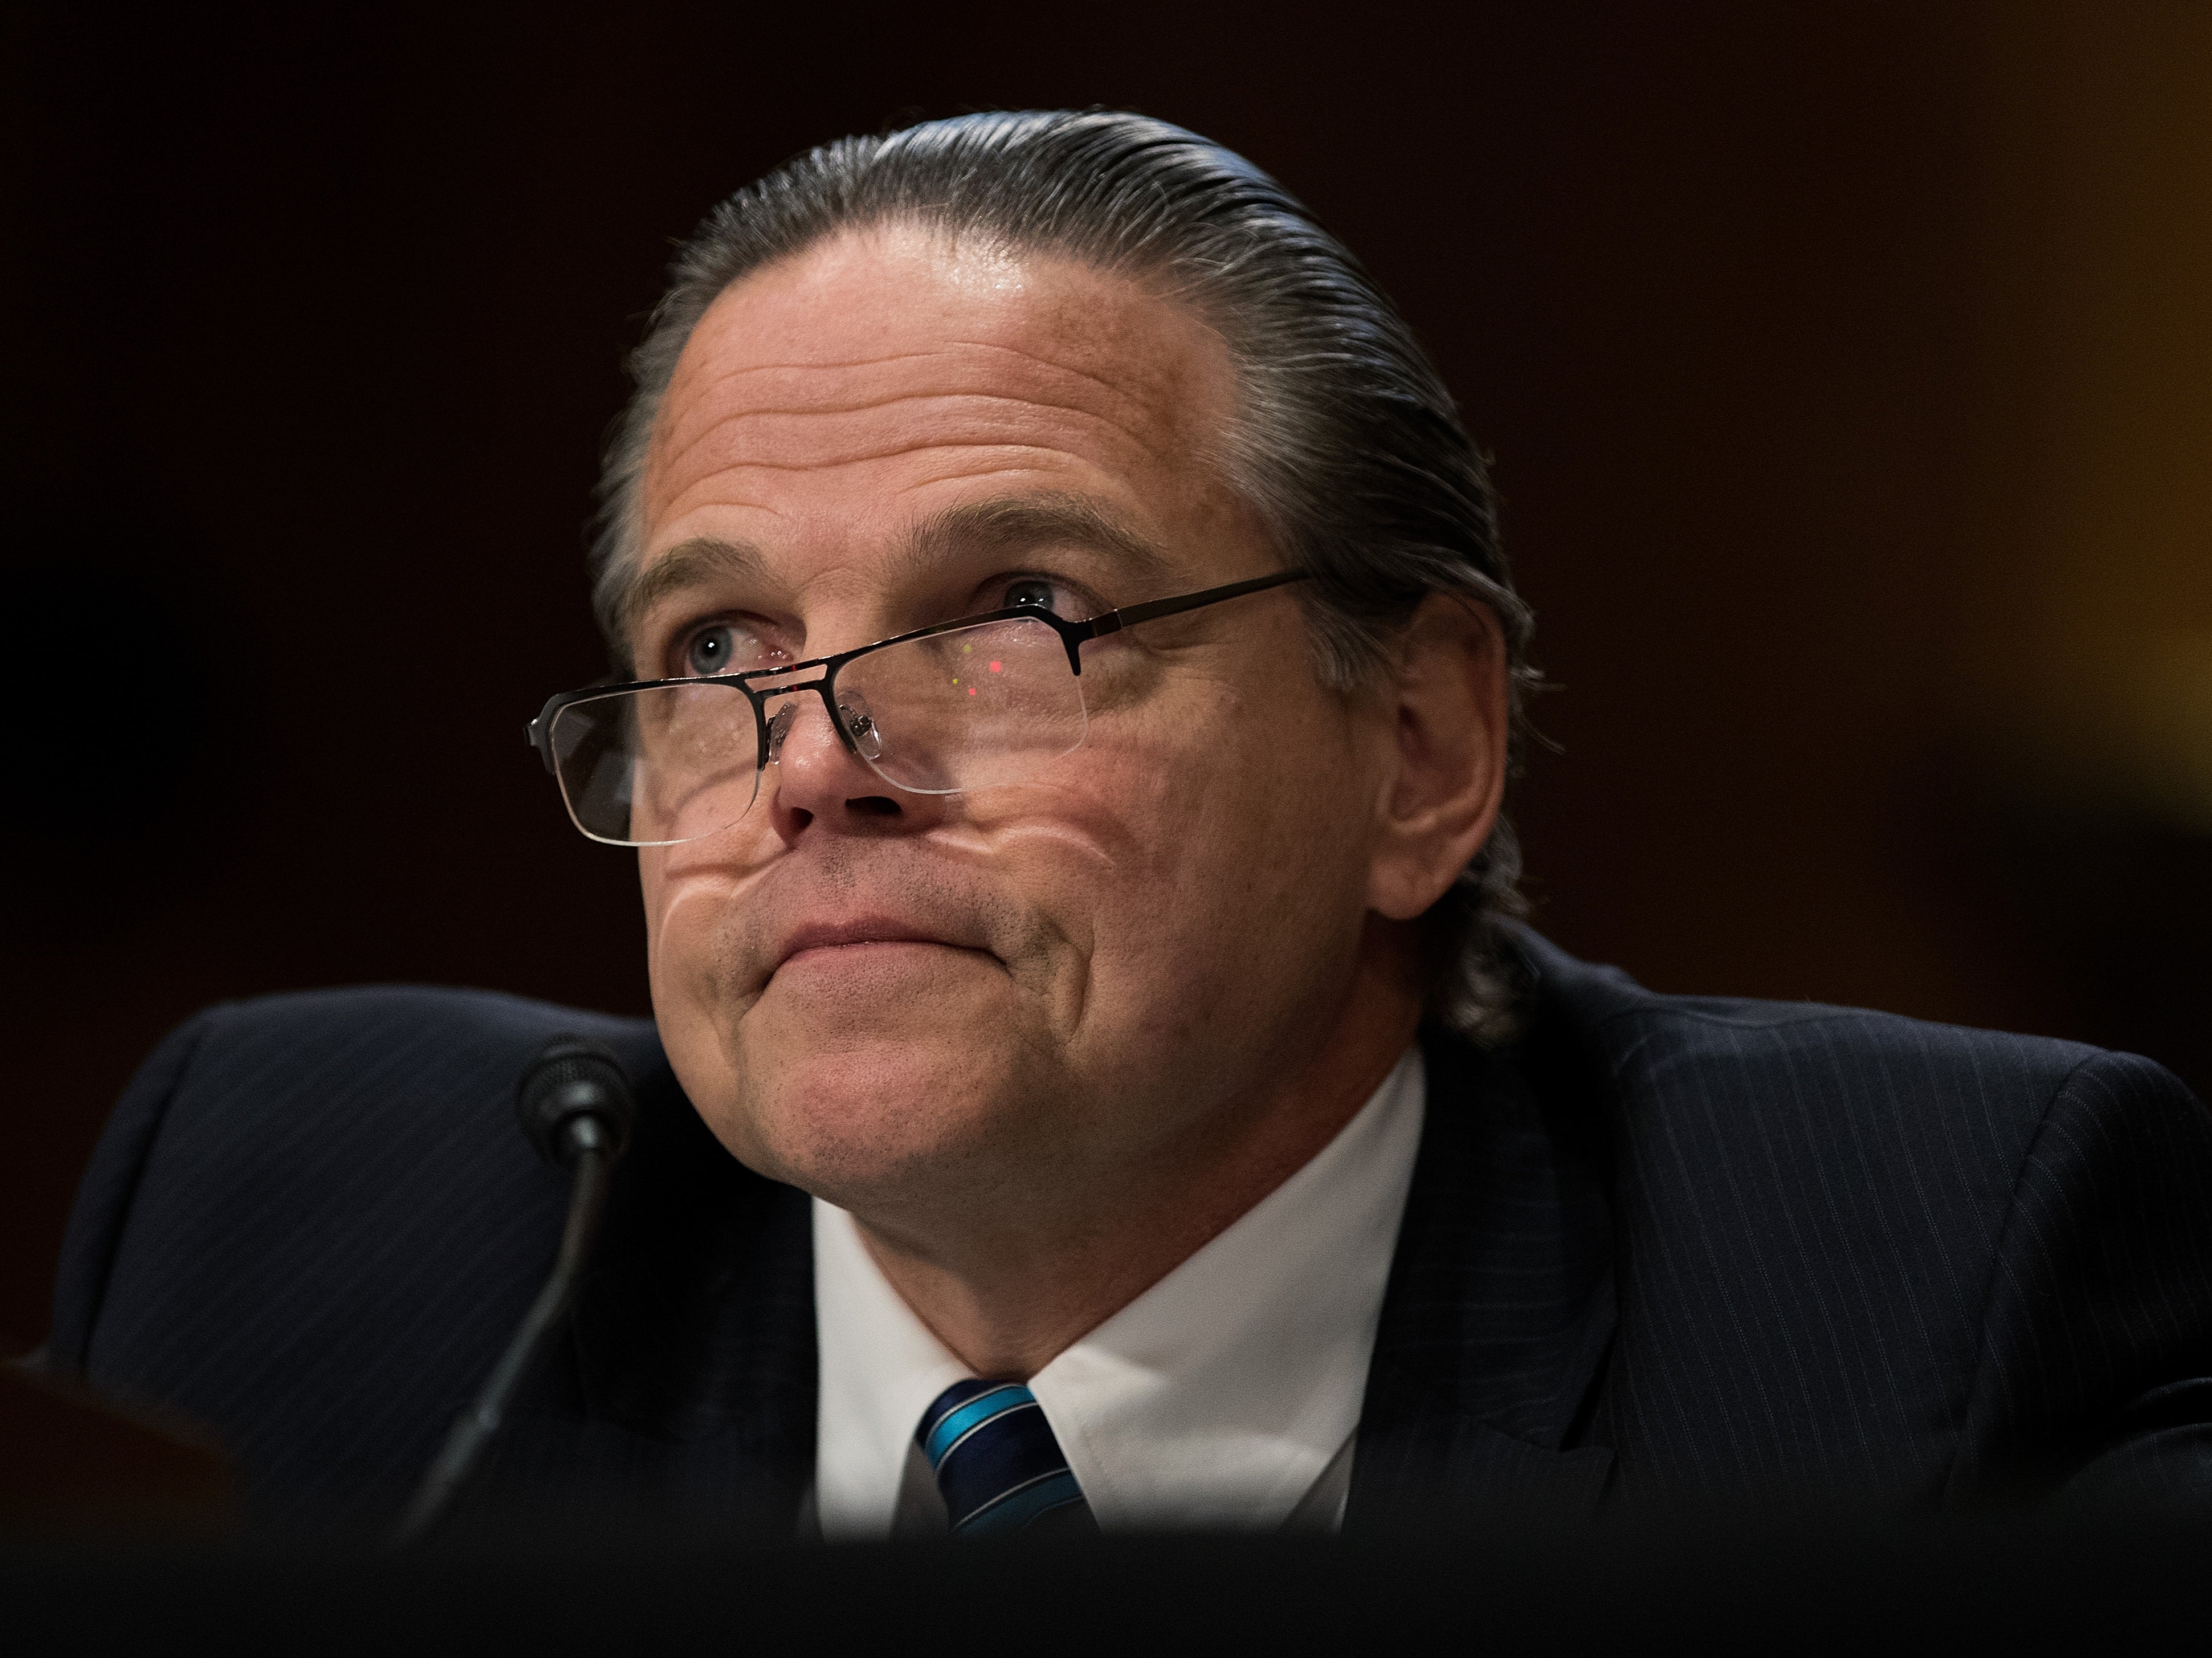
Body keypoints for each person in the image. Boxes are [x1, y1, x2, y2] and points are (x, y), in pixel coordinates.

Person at [47, 111, 2212, 1537]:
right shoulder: (315, 1229)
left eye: (1017, 609)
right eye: (717, 648)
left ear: (1422, 747)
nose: (813, 759)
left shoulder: (1911, 1288)